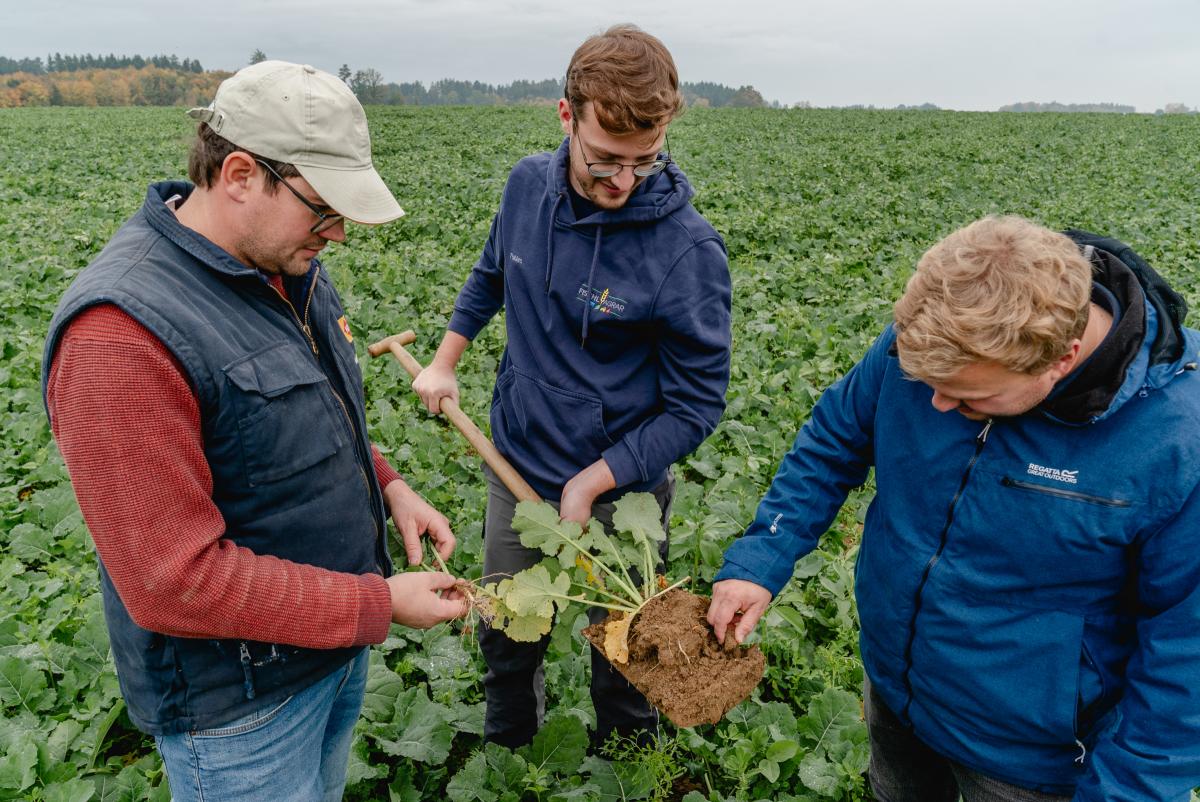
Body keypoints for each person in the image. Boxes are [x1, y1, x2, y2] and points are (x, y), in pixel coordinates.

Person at [42, 61, 467, 802]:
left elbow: (297, 415)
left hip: (331, 650)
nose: (336, 232)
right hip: (242, 712)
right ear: (240, 173)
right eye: (322, 207)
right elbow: (173, 582)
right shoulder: (120, 335)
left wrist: (389, 485)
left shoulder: (282, 264)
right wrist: (378, 605)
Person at [709, 216, 1200, 801]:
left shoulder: (1175, 443)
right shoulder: (932, 346)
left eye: (970, 395)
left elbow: (1186, 662)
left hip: (1029, 761)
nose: (936, 403)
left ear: (1061, 358)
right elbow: (836, 436)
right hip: (896, 693)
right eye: (926, 382)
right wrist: (762, 557)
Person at [412, 25, 732, 749]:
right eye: (604, 162)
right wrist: (444, 360)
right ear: (566, 117)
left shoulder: (688, 253)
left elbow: (695, 404)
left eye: (645, 164)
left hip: (622, 493)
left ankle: (628, 763)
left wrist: (595, 482)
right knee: (507, 633)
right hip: (517, 463)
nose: (623, 183)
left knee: (623, 652)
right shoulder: (527, 185)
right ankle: (509, 761)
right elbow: (494, 271)